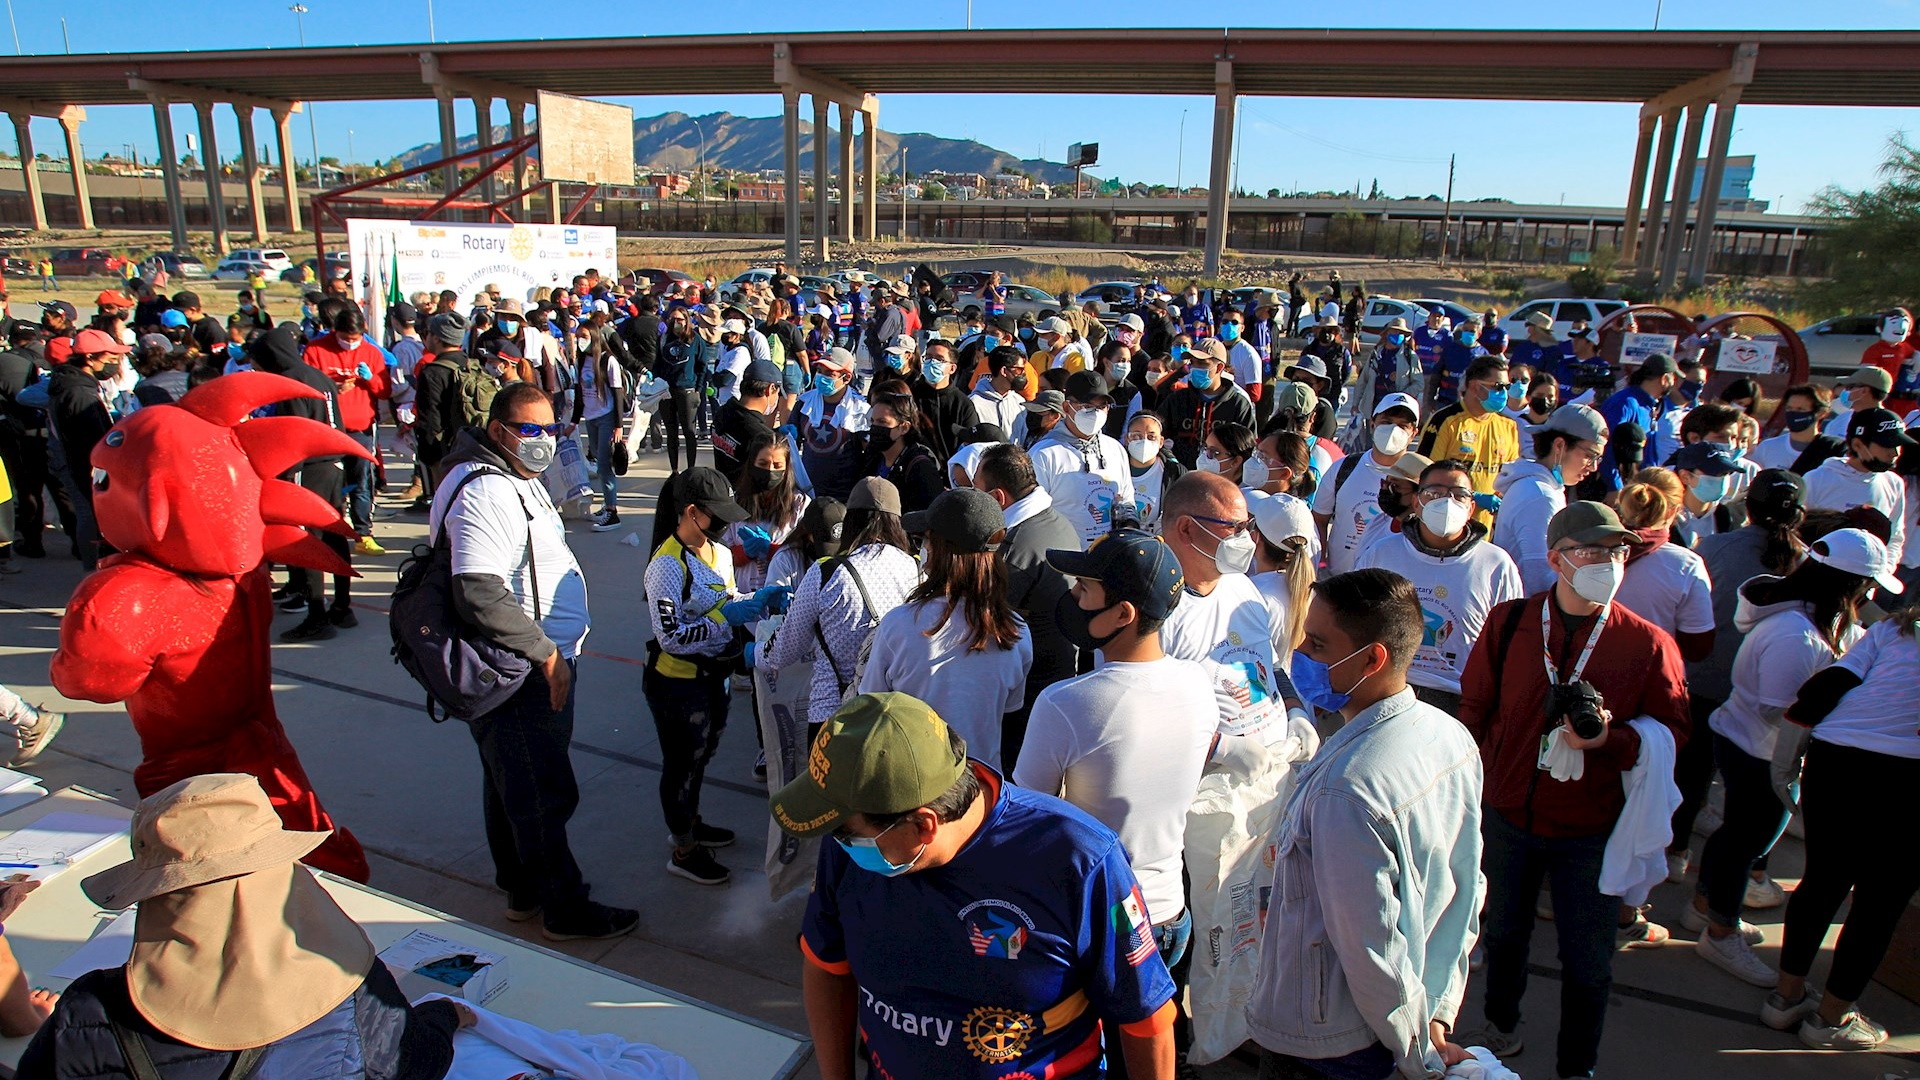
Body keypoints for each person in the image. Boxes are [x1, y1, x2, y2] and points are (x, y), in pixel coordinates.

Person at [776, 693, 1179, 1080]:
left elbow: (1146, 1018)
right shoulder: (849, 850)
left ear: (923, 825)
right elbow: (826, 966)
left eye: (846, 832)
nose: (839, 842)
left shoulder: (1077, 858)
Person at [19, 773, 470, 1080]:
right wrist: (443, 1017)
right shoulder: (351, 983)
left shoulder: (92, 1011)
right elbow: (412, 1064)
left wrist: (53, 1030)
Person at [1457, 502, 1691, 1077]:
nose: (1608, 562)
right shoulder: (1511, 622)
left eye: (1617, 551)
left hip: (1591, 828)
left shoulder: (1648, 643)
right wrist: (1476, 782)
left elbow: (1675, 730)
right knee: (1504, 934)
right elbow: (1476, 706)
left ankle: (1576, 1066)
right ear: (1557, 559)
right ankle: (1501, 1025)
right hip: (1509, 812)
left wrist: (1613, 740)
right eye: (1591, 551)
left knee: (1588, 961)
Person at [1247, 569, 1485, 1080]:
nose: (1301, 654)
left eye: (1317, 644)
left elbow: (1371, 948)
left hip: (1326, 1038)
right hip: (1401, 1018)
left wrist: (1416, 1053)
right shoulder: (1450, 737)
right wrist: (1435, 1014)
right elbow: (1465, 889)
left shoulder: (1346, 790)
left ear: (1372, 659)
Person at [432, 383, 636, 939]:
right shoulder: (486, 490)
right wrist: (546, 655)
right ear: (498, 430)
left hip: (527, 661)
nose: (543, 439)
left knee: (511, 780)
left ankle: (521, 886)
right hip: (520, 668)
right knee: (541, 791)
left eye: (550, 428)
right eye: (529, 429)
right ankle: (563, 907)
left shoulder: (512, 476)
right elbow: (477, 588)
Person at [1015, 529, 1214, 1018]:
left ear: (1123, 614)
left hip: (1097, 925)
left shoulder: (1065, 703)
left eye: (1085, 589)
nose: (1073, 597)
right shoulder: (1198, 681)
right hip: (1171, 914)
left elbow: (1026, 819)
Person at [1682, 529, 1886, 992]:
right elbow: (1780, 708)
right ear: (1851, 586)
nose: (1871, 597)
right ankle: (1720, 933)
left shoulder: (1812, 622)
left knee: (1738, 835)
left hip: (1755, 744)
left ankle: (1705, 906)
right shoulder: (1795, 636)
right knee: (1747, 841)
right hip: (1758, 753)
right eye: (1869, 587)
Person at [1768, 572, 1920, 1050]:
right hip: (1907, 774)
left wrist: (1785, 763)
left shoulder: (1892, 629)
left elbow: (1825, 688)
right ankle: (1832, 1018)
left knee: (1822, 881)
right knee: (1879, 903)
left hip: (1836, 758)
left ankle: (1784, 998)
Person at [643, 467, 788, 886]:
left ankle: (690, 820)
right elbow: (671, 636)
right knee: (681, 765)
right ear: (692, 512)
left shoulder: (720, 553)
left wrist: (756, 599)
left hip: (714, 676)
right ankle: (684, 848)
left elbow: (726, 598)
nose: (727, 523)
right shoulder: (667, 566)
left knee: (701, 756)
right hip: (677, 684)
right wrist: (726, 618)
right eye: (718, 514)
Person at [862, 488, 1031, 768]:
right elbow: (1008, 711)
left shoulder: (899, 625)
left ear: (940, 548)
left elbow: (871, 705)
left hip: (912, 779)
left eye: (925, 539)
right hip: (983, 783)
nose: (922, 547)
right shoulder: (1016, 632)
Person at [1356, 457, 1522, 713]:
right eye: (1434, 493)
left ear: (1471, 507)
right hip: (1387, 691)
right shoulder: (1381, 553)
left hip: (1461, 698)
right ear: (1416, 502)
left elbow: (1510, 642)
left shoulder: (1496, 565)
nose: (1447, 502)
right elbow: (1355, 622)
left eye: (1459, 495)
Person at [766, 476, 919, 731]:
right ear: (897, 522)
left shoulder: (827, 572)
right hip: (895, 719)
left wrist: (760, 649)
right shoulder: (917, 570)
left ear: (850, 521)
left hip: (833, 716)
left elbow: (784, 651)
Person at [973, 443, 1082, 771]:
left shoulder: (1014, 550)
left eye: (976, 490)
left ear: (998, 498)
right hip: (1057, 679)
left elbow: (983, 626)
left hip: (1027, 696)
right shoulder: (1056, 521)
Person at [1492, 404, 1608, 596]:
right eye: (1589, 455)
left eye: (1598, 459)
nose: (1593, 467)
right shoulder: (1541, 496)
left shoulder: (1538, 487)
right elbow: (1540, 577)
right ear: (1559, 445)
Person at [303, 305, 390, 557]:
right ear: (335, 331)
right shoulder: (316, 350)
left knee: (361, 482)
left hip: (361, 429)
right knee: (329, 484)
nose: (350, 343)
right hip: (328, 430)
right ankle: (328, 531)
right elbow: (305, 387)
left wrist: (371, 378)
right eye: (345, 338)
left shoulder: (371, 352)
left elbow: (385, 391)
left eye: (355, 338)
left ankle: (363, 534)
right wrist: (333, 389)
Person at [1613, 467, 1717, 663]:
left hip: (1586, 672)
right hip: (1653, 671)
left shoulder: (1588, 549)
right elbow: (1698, 647)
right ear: (1674, 511)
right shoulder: (1686, 565)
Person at [45, 327, 124, 570]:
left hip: (77, 462)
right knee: (90, 514)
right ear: (89, 358)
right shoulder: (79, 392)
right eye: (110, 358)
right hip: (84, 465)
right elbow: (89, 439)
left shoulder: (75, 384)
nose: (114, 363)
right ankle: (92, 568)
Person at [1315, 392, 1419, 575]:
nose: (1393, 431)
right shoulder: (1343, 468)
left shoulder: (1419, 477)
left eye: (1403, 426)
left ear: (1413, 434)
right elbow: (1319, 519)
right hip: (1338, 579)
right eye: (1386, 422)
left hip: (1390, 584)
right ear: (1372, 424)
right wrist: (1319, 564)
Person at [1030, 370, 1134, 545]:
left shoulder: (1115, 449)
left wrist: (1128, 526)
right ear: (1066, 407)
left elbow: (1126, 500)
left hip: (1107, 554)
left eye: (1102, 406)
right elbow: (1034, 516)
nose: (1095, 413)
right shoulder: (1043, 455)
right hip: (1062, 555)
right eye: (1086, 406)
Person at [1802, 406, 1912, 567]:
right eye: (1887, 445)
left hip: (1866, 579)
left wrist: (1883, 569)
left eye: (1898, 445)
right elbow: (1796, 531)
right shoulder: (1818, 479)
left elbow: (1895, 537)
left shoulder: (1894, 483)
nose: (1895, 453)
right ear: (1857, 445)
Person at [1415, 355, 1518, 525]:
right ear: (1475, 386)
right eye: (1498, 387)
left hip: (1487, 525)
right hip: (1446, 521)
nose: (1504, 393)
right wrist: (1471, 495)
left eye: (1507, 387)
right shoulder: (1445, 421)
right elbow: (1425, 473)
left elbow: (1510, 475)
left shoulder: (1508, 426)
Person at [725, 432, 810, 595]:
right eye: (763, 464)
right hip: (742, 593)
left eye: (777, 465)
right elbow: (720, 554)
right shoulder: (734, 502)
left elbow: (805, 555)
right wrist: (744, 552)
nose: (770, 471)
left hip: (783, 592)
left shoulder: (800, 504)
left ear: (787, 468)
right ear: (752, 464)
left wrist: (771, 550)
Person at [1156, 339, 1255, 470]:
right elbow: (1157, 433)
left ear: (1219, 367)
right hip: (1180, 475)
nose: (1195, 368)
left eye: (1202, 363)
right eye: (1192, 363)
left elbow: (1247, 448)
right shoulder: (1177, 399)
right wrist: (1171, 461)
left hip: (1222, 476)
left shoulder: (1238, 404)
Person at [793, 347, 870, 502]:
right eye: (819, 371)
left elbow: (868, 451)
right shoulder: (804, 402)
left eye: (829, 374)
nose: (821, 377)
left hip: (842, 495)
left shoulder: (860, 409)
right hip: (807, 490)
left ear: (846, 378)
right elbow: (791, 440)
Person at [408, 313, 470, 506]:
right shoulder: (471, 365)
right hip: (471, 444)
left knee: (445, 503)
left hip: (443, 450)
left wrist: (428, 456)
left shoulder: (432, 372)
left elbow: (430, 419)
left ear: (436, 337)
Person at [569, 329, 627, 533]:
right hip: (590, 417)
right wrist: (574, 422)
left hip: (606, 417)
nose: (580, 340)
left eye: (584, 336)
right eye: (578, 336)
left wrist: (619, 425)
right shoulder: (580, 361)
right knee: (598, 461)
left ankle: (612, 512)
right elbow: (579, 394)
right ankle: (608, 504)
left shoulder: (607, 360)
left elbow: (617, 393)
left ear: (594, 337)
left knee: (604, 464)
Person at [863, 387, 943, 515]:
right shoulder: (872, 456)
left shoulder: (921, 468)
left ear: (904, 427)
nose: (875, 427)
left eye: (882, 422)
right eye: (872, 421)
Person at [712, 358, 781, 484]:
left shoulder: (722, 413)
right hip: (747, 493)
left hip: (723, 487)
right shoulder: (761, 436)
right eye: (778, 393)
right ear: (770, 389)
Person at [1750, 383, 1838, 474]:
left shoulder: (1833, 449)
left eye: (1800, 409)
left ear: (1821, 413)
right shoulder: (1767, 447)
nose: (1793, 413)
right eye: (1789, 408)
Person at [1123, 412, 1185, 533]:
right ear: (1127, 439)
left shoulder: (1174, 473)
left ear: (1161, 442)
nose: (1144, 441)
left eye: (1151, 437)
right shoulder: (1112, 468)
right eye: (1136, 436)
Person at [1822, 364, 1893, 440]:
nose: (1845, 391)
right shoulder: (1841, 419)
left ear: (1864, 391)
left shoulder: (1886, 425)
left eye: (1850, 387)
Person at [1198, 421, 1256, 487]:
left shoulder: (1245, 493)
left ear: (1236, 461)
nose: (1204, 456)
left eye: (1213, 452)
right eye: (1205, 448)